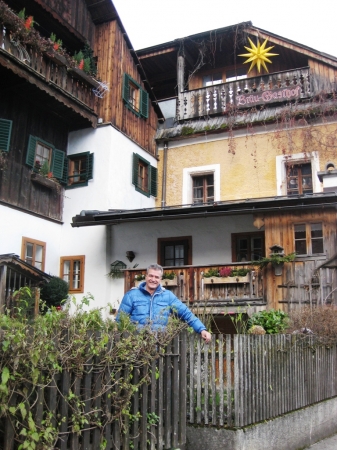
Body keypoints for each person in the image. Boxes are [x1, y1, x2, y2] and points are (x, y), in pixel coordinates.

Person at [116, 264, 212, 343]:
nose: (153, 279)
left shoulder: (168, 296)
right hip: (135, 345)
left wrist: (201, 329)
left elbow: (186, 313)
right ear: (146, 276)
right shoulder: (131, 295)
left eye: (156, 277)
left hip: (159, 346)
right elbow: (120, 320)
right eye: (151, 276)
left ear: (160, 279)